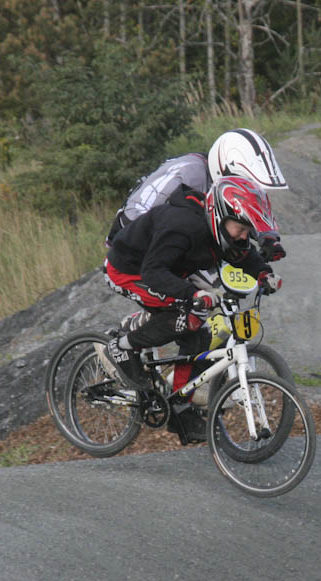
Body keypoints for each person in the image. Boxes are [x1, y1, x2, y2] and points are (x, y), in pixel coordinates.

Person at [101, 176, 284, 442]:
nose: (244, 236)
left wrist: (264, 273)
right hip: (128, 270)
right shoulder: (182, 226)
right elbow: (153, 272)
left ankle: (180, 408)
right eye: (241, 229)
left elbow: (243, 256)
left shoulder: (219, 228)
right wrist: (192, 294)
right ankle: (122, 347)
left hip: (165, 271)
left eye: (248, 231)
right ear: (221, 216)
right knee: (186, 315)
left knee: (198, 335)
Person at [105, 128, 290, 262]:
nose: (245, 187)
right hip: (134, 241)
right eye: (245, 180)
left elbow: (249, 212)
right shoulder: (189, 172)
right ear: (225, 168)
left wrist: (268, 238)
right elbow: (133, 215)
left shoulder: (221, 183)